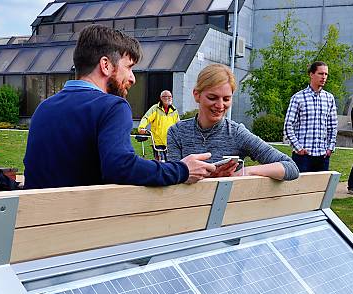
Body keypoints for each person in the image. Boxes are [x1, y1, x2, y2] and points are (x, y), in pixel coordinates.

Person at [23, 26, 215, 189]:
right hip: (84, 227)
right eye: (129, 67)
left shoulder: (44, 108)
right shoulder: (113, 106)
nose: (132, 78)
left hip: (35, 226)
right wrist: (182, 170)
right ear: (106, 65)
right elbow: (120, 166)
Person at [167, 64, 300, 181]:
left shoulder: (237, 133)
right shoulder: (177, 132)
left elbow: (291, 167)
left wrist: (245, 172)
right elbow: (172, 178)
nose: (220, 105)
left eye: (226, 99)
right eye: (212, 98)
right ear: (197, 95)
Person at [283, 61, 338, 173]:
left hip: (322, 155)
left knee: (321, 189)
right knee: (300, 189)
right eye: (320, 73)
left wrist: (330, 148)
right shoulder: (298, 98)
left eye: (326, 74)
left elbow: (333, 125)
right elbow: (288, 125)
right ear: (311, 74)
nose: (324, 77)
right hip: (303, 156)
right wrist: (298, 148)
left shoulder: (329, 98)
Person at [138, 90, 179, 160]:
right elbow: (146, 118)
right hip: (158, 142)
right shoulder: (155, 108)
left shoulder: (174, 110)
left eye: (170, 96)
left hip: (170, 141)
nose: (168, 98)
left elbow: (178, 124)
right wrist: (141, 128)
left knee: (171, 161)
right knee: (160, 161)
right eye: (165, 96)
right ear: (161, 98)